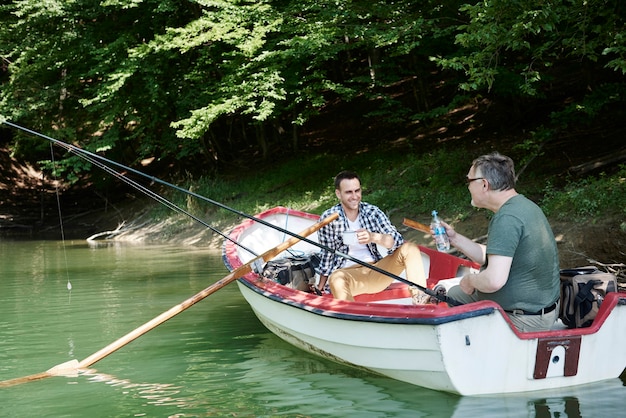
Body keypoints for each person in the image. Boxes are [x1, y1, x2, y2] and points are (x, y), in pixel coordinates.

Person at [440, 152, 560, 332]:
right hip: (543, 312)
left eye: (469, 181)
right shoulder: (524, 206)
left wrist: (470, 280)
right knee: (458, 292)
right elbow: (494, 256)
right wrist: (454, 238)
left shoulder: (507, 218)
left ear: (484, 184)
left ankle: (479, 350)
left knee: (455, 294)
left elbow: (494, 281)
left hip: (525, 319)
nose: (468, 187)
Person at [314, 170, 427, 302]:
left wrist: (373, 237)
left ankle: (420, 297)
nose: (354, 196)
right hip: (347, 275)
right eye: (349, 192)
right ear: (338, 194)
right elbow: (327, 255)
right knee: (336, 278)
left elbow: (395, 241)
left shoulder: (372, 212)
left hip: (376, 271)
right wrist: (320, 287)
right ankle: (351, 317)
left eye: (357, 191)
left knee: (410, 248)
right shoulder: (329, 218)